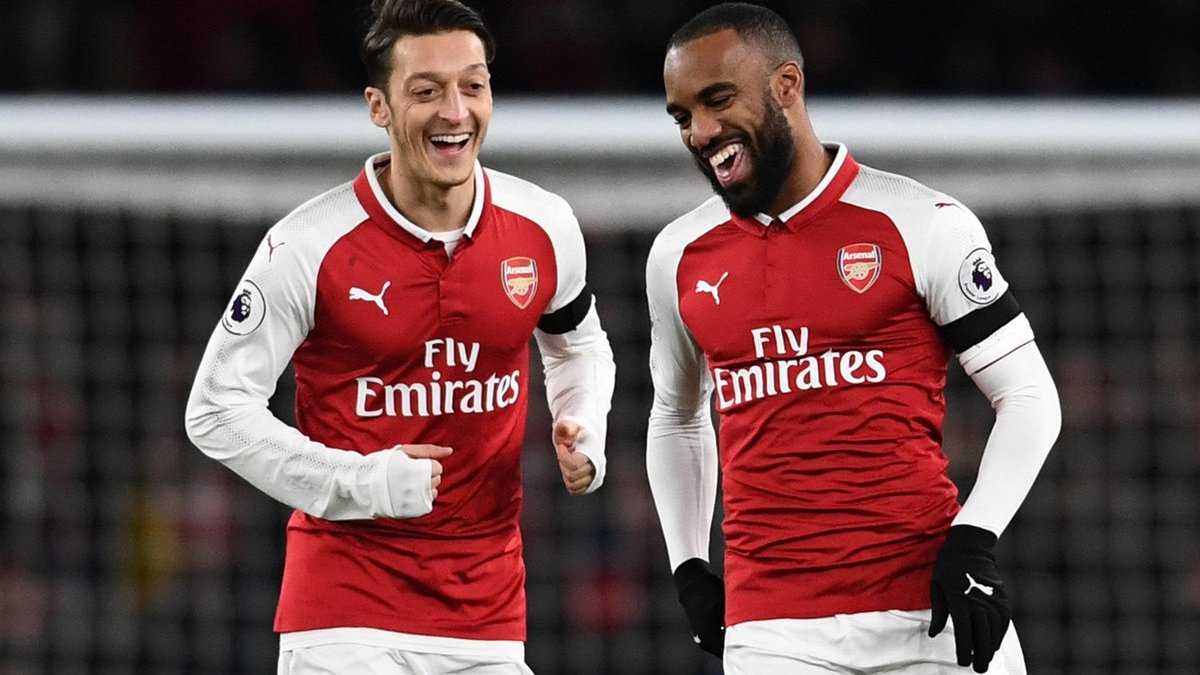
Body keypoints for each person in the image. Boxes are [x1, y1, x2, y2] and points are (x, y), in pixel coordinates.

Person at [184, 1, 615, 672]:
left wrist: (583, 423)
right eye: (427, 91)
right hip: (345, 608)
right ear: (378, 107)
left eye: (473, 86)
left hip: (488, 610)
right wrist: (361, 480)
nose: (455, 111)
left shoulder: (544, 224)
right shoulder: (307, 245)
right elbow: (215, 410)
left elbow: (577, 341)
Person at [644, 4, 1061, 674]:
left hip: (928, 612)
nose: (700, 132)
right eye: (682, 115)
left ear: (786, 85)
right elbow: (675, 414)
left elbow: (1030, 395)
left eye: (717, 101)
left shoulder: (921, 223)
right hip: (772, 631)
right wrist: (689, 565)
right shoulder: (678, 255)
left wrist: (974, 541)